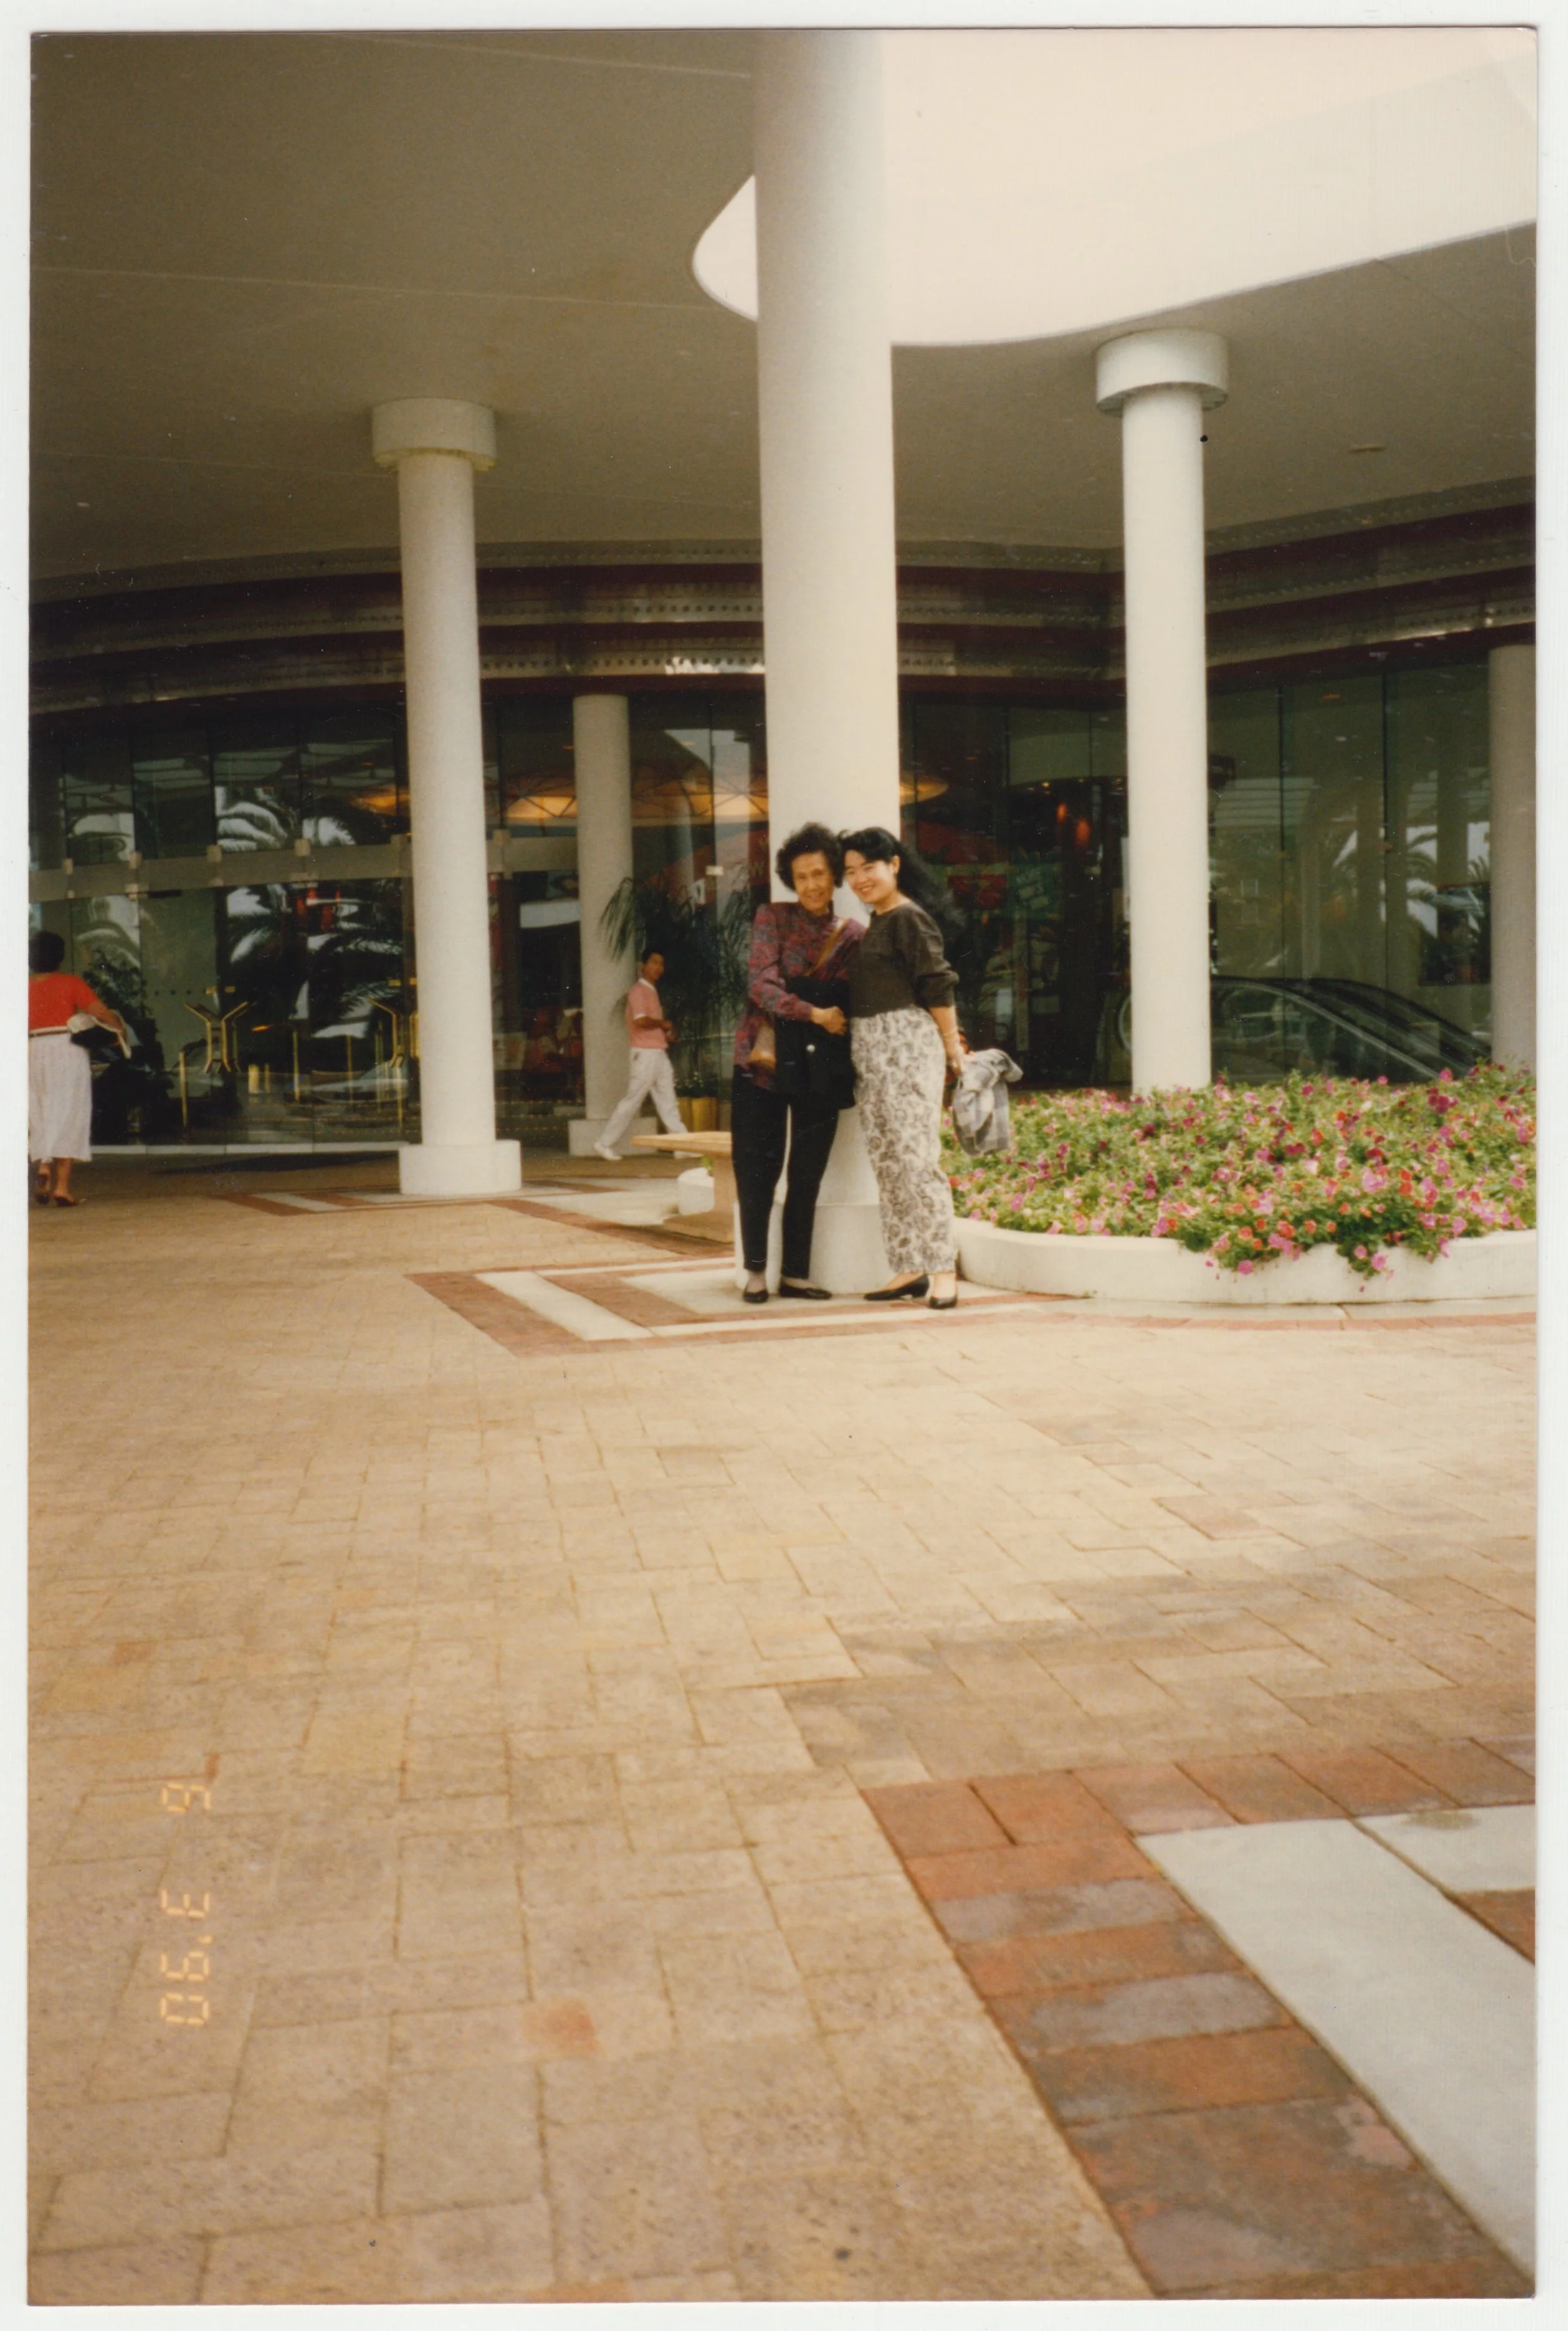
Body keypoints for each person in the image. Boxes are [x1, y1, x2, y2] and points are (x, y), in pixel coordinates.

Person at [731, 823, 863, 1304]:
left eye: (819, 873)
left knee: (808, 1170)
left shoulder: (853, 936)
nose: (811, 884)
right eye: (801, 875)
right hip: (761, 1061)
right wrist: (814, 1013)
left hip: (820, 1067)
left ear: (834, 877)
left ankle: (797, 1274)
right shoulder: (773, 917)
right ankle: (755, 1273)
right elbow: (760, 985)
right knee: (756, 1167)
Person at [840, 827, 966, 1310]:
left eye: (868, 868)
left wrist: (953, 1048)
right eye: (851, 872)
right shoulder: (877, 922)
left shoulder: (910, 918)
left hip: (909, 1047)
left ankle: (943, 1269)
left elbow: (938, 985)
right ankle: (909, 1265)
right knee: (889, 1163)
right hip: (872, 1051)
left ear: (894, 864)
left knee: (917, 1159)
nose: (859, 879)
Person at [28, 929, 126, 1207]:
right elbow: (101, 1012)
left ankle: (44, 1167)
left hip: (34, 1048)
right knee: (69, 1110)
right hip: (65, 1047)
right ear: (59, 957)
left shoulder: (21, 987)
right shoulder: (69, 983)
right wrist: (118, 1029)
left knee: (41, 1110)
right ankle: (62, 1187)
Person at [594, 948, 688, 1159]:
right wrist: (663, 1024)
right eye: (654, 963)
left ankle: (682, 1144)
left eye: (661, 964)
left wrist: (665, 1032)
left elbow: (649, 1023)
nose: (658, 968)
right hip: (645, 1053)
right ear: (642, 966)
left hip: (657, 1051)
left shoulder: (651, 991)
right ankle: (604, 1143)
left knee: (668, 1099)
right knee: (633, 1099)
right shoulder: (638, 991)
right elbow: (640, 1021)